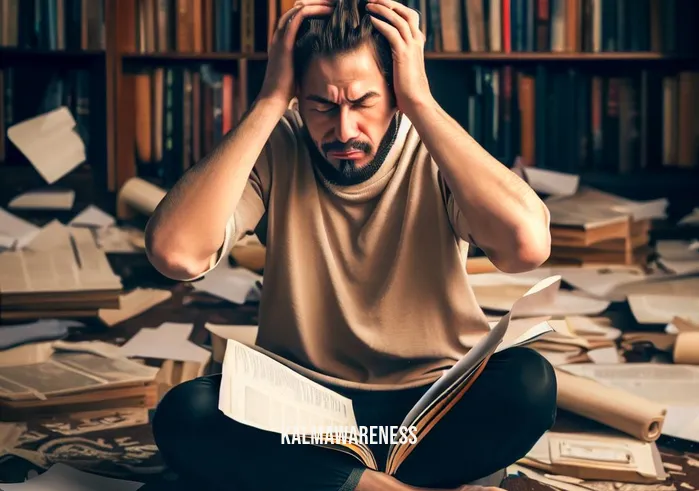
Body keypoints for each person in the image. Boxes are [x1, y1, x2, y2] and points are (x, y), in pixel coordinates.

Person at [144, 0, 557, 490]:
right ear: (300, 95)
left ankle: (332, 483)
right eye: (322, 105)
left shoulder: (434, 147)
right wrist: (269, 103)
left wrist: (422, 102)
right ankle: (382, 486)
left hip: (429, 405)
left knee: (530, 384)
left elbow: (526, 247)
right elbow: (176, 254)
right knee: (185, 414)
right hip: (303, 410)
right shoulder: (278, 145)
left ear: (396, 94)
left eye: (363, 103)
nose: (343, 131)